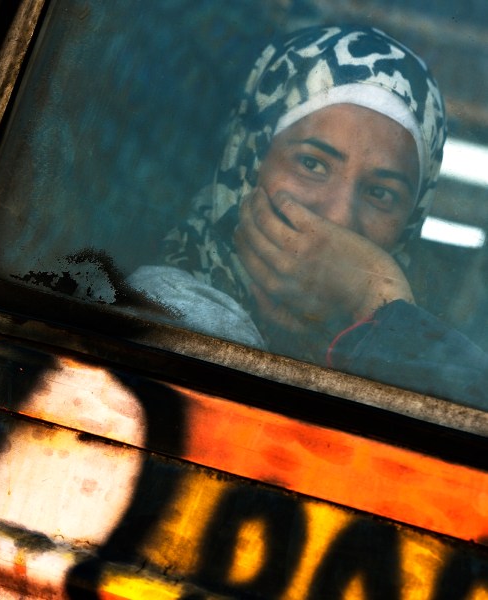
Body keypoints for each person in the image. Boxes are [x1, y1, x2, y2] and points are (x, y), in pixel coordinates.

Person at [128, 25, 488, 407]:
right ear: (249, 163)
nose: (338, 216)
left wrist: (380, 299)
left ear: (408, 225)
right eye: (312, 164)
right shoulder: (170, 303)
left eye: (381, 193)